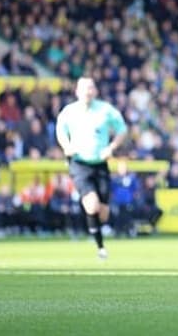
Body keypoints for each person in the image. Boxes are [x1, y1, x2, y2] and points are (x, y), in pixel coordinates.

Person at [55, 76, 127, 259]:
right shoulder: (69, 112)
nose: (88, 91)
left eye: (91, 88)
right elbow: (60, 131)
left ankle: (96, 228)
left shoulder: (105, 110)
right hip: (79, 163)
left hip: (100, 164)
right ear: (77, 91)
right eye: (84, 88)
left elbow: (122, 129)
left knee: (103, 212)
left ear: (95, 91)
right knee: (91, 204)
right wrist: (66, 146)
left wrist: (111, 147)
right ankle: (100, 248)